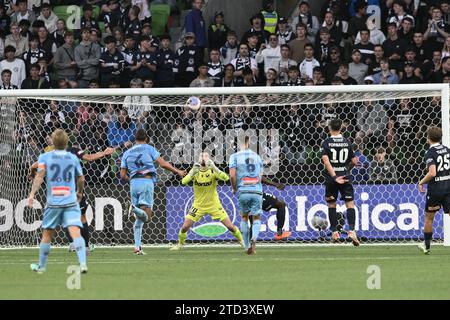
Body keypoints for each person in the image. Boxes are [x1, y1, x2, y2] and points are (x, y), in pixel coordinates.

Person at [29, 137, 116, 255]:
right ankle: (85, 247)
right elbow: (89, 158)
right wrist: (105, 153)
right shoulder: (73, 150)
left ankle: (72, 243)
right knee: (82, 218)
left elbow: (34, 166)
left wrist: (32, 174)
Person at [28, 129, 87, 274]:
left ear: (53, 142)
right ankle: (83, 263)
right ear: (67, 142)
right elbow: (81, 178)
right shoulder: (72, 158)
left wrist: (32, 194)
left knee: (47, 234)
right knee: (75, 231)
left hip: (54, 201)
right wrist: (79, 192)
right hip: (71, 200)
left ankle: (41, 267)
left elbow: (39, 177)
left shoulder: (44, 157)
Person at [120, 129, 186, 255]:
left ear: (135, 139)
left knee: (139, 220)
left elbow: (122, 175)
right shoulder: (149, 148)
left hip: (133, 184)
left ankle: (137, 247)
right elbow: (163, 164)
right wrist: (177, 171)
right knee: (147, 218)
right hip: (146, 183)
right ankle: (132, 208)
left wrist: (133, 180)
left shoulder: (127, 153)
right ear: (147, 139)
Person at [170, 152, 243, 251]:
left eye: (205, 156)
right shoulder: (195, 170)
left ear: (209, 159)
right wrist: (192, 172)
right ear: (198, 159)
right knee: (184, 227)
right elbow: (183, 182)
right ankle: (180, 244)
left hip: (214, 205)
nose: (203, 158)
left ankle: (242, 242)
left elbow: (226, 178)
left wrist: (215, 168)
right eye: (201, 156)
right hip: (198, 206)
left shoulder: (212, 171)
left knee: (230, 226)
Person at [320, 119, 359, 245]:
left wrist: (335, 176)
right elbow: (354, 161)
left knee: (332, 205)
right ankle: (352, 230)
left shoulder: (326, 142)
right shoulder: (347, 141)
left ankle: (334, 232)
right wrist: (346, 170)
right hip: (345, 177)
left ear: (329, 128)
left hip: (332, 179)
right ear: (341, 127)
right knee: (350, 204)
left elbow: (326, 162)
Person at [229, 136, 264, 255]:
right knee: (256, 218)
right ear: (248, 142)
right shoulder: (257, 157)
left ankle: (246, 245)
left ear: (237, 143)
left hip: (243, 190)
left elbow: (232, 175)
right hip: (256, 190)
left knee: (244, 217)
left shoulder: (234, 157)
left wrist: (234, 188)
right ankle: (254, 237)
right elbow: (260, 175)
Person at [418, 127, 450, 254]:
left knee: (429, 218)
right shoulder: (447, 150)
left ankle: (426, 246)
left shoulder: (430, 153)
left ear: (428, 138)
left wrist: (421, 182)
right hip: (448, 187)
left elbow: (432, 173)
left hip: (435, 190)